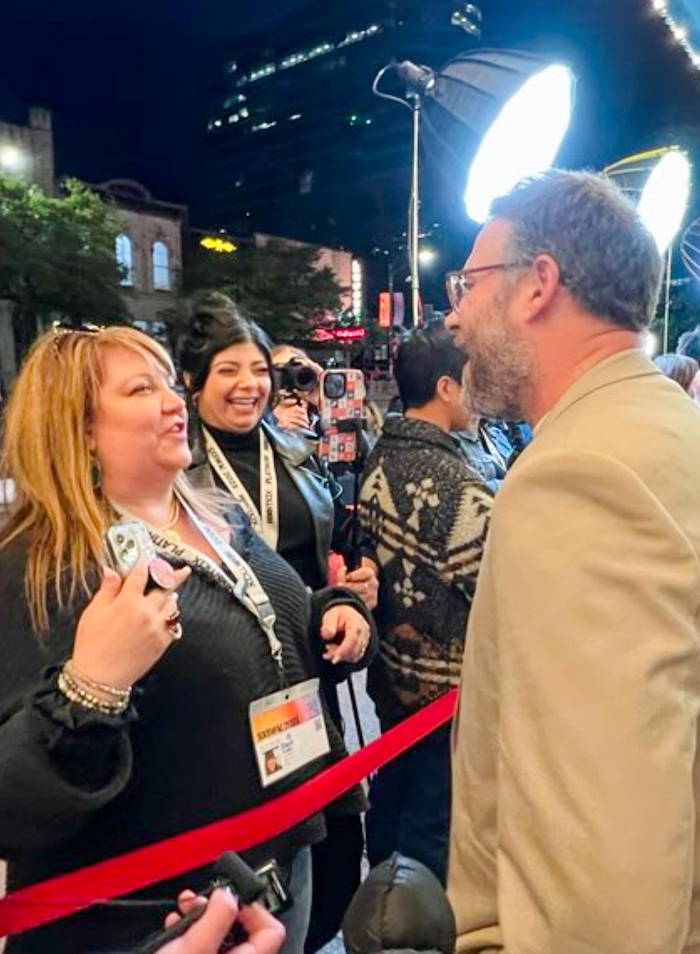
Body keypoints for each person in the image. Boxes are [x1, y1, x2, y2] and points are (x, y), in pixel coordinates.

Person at [0, 325, 373, 954]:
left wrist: (331, 612)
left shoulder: (214, 514)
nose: (176, 402)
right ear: (80, 428)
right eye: (142, 389)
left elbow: (259, 628)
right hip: (165, 917)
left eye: (171, 383)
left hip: (278, 862)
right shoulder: (41, 566)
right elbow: (13, 804)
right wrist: (90, 689)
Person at [444, 169, 700, 953]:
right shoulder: (664, 428)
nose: (454, 316)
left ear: (538, 285)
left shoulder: (577, 472)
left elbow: (603, 862)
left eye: (468, 284)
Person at [176, 294, 378, 954]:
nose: (250, 384)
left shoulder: (295, 451)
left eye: (259, 369)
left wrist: (348, 597)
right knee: (249, 874)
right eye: (228, 370)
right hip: (226, 694)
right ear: (192, 379)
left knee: (331, 856)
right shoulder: (174, 468)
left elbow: (329, 554)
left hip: (307, 680)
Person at [359, 326, 492, 883]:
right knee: (432, 826)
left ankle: (378, 908)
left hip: (392, 679)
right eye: (472, 382)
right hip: (445, 695)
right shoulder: (459, 484)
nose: (478, 397)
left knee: (392, 801)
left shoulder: (378, 456)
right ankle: (412, 917)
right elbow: (494, 587)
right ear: (445, 387)